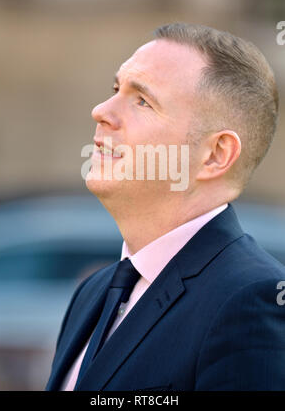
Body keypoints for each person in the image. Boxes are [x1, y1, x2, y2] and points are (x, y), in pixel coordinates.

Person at [46, 23, 285, 391]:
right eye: (115, 90)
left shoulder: (253, 301)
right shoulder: (93, 292)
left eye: (142, 100)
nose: (101, 111)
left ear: (216, 155)